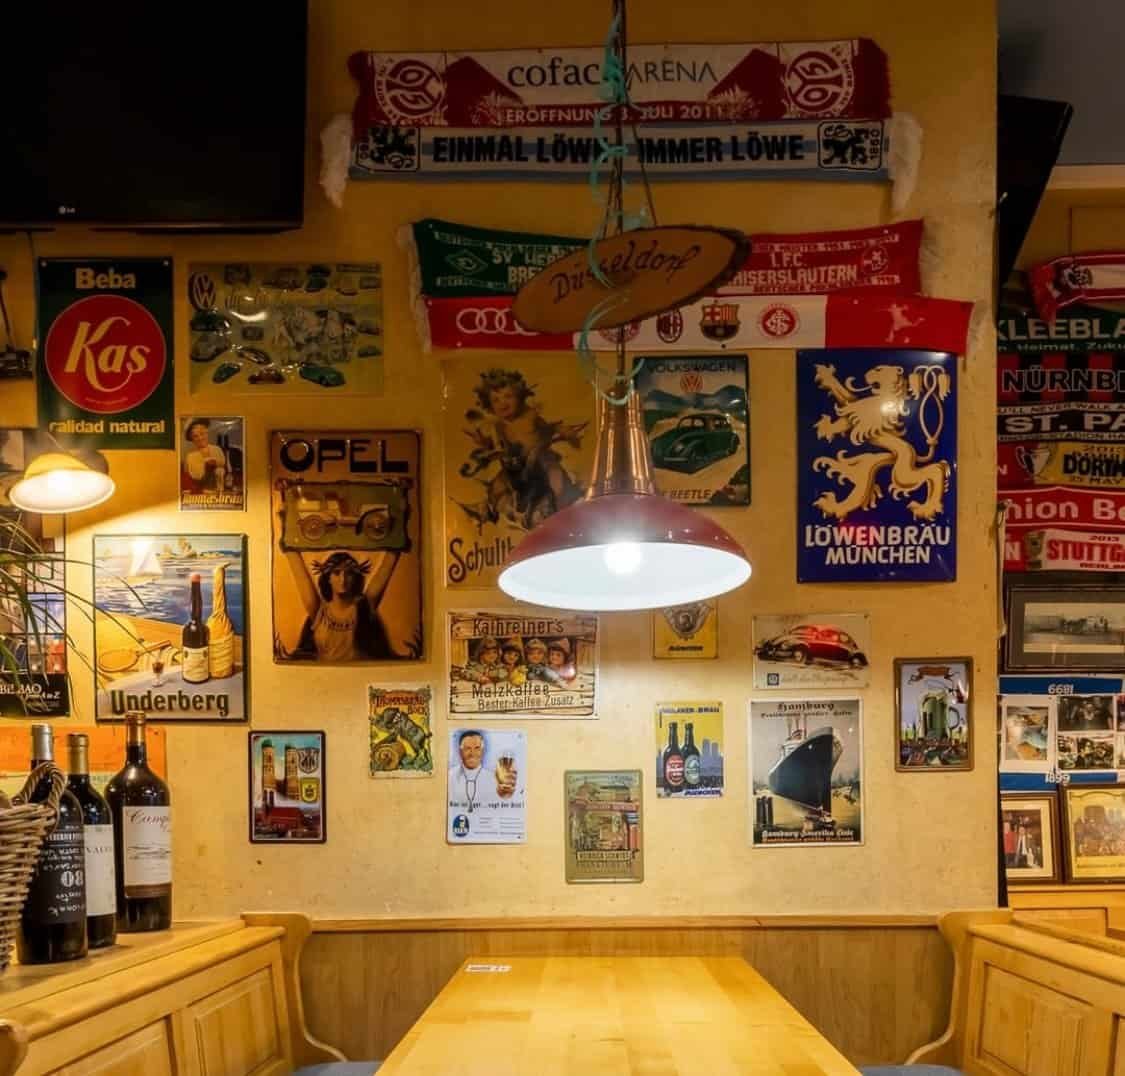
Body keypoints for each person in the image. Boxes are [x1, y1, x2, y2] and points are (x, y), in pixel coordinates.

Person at [282, 548, 399, 661]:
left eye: (349, 573)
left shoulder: (364, 607)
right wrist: (290, 546)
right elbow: (296, 563)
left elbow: (386, 566)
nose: (343, 579)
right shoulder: (319, 611)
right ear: (328, 578)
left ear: (355, 578)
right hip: (325, 673)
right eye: (337, 573)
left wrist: (396, 545)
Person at [448, 730, 516, 811]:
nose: (472, 753)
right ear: (460, 751)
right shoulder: (449, 776)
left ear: (482, 751)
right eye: (467, 748)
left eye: (477, 748)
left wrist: (505, 796)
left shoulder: (494, 779)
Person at [183, 419, 227, 492]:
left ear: (207, 433)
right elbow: (196, 476)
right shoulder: (190, 457)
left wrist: (215, 463)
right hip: (202, 491)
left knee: (219, 470)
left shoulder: (217, 449)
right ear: (192, 440)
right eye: (195, 436)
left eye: (202, 434)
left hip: (219, 489)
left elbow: (223, 463)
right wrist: (205, 464)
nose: (200, 438)